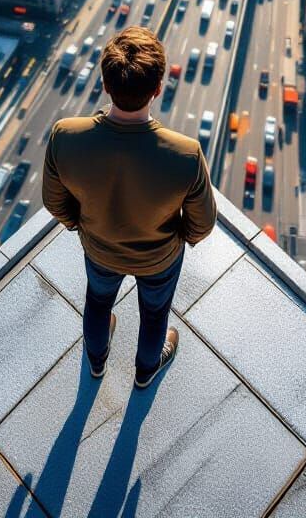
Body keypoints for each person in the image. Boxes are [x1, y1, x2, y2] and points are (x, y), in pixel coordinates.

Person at [42, 26, 217, 388]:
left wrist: (83, 225)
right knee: (155, 315)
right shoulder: (185, 154)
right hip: (158, 259)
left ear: (105, 85)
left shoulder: (65, 135)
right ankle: (145, 372)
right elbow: (202, 225)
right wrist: (172, 239)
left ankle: (96, 363)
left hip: (99, 249)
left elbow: (53, 201)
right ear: (157, 89)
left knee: (97, 303)